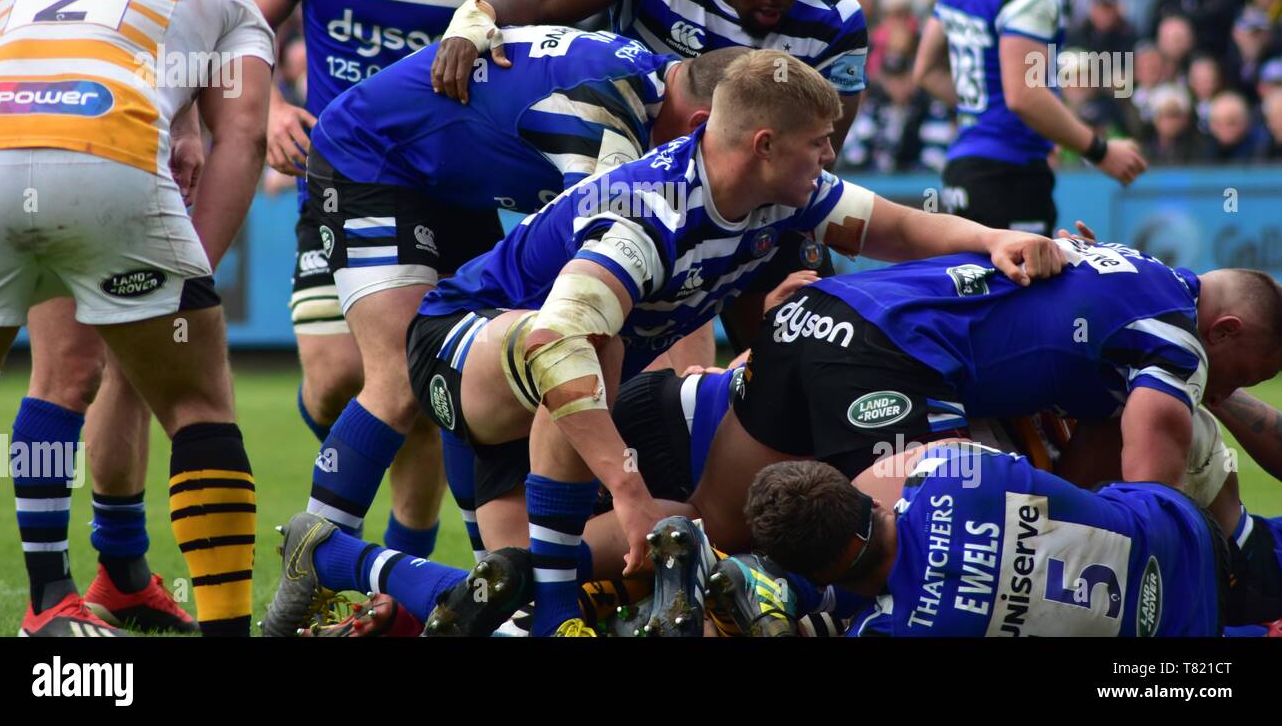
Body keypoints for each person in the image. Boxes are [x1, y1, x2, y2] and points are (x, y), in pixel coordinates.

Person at [259, 51, 1065, 638]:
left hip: (560, 402)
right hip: (468, 351)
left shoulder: (784, 195)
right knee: (586, 349)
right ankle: (550, 611)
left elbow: (896, 226)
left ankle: (332, 559)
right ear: (762, 145)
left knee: (502, 598)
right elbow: (554, 338)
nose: (830, 157)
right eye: (820, 141)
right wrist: (631, 488)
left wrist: (995, 237)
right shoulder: (652, 213)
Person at [301, 28, 738, 560]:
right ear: (701, 126)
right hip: (374, 155)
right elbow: (612, 264)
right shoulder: (604, 128)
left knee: (478, 354)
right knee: (402, 377)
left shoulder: (656, 82)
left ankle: (491, 572)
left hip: (453, 182)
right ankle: (315, 561)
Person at [246, 0, 529, 562]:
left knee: (423, 385)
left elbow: (531, 52)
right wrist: (270, 108)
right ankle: (366, 553)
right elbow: (240, 28)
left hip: (454, 194)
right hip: (345, 184)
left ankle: (396, 563)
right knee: (342, 380)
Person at [0, 0, 274, 637]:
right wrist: (192, 279)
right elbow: (241, 139)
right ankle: (228, 631)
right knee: (196, 404)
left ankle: (50, 598)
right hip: (104, 156)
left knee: (51, 376)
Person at [428, 0, 872, 352]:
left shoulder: (837, 19)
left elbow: (820, 157)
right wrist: (478, 14)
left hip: (760, 203)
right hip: (644, 192)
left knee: (800, 349)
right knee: (632, 353)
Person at [685, 238, 1282, 557]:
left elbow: (1087, 471)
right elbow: (1145, 504)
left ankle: (600, 578)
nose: (1225, 390)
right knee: (942, 542)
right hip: (892, 355)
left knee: (715, 529)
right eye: (1243, 375)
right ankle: (794, 604)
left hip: (817, 313)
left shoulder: (1133, 266)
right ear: (1223, 330)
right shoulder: (1179, 347)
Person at [743, 448, 1242, 636]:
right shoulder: (943, 471)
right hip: (1184, 527)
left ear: (824, 570)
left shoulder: (889, 631)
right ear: (866, 499)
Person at [915, 0, 1147, 236]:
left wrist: (998, 116)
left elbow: (926, 70)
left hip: (962, 172)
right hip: (1010, 179)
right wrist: (1101, 151)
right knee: (1026, 293)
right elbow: (1024, 95)